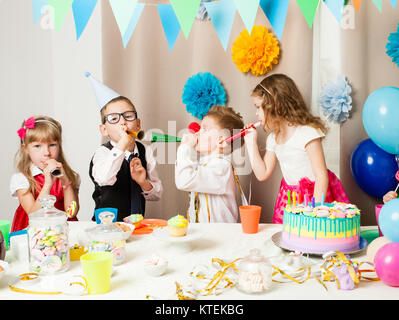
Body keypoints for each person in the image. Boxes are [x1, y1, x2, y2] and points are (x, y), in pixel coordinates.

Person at [244, 74, 349, 224]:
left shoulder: (307, 132)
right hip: (290, 199)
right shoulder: (273, 138)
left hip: (315, 197)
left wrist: (315, 212)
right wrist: (250, 142)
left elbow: (321, 176)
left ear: (276, 104)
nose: (256, 113)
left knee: (314, 238)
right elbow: (262, 173)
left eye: (259, 107)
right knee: (291, 238)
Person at [87, 73, 162, 221]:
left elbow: (157, 195)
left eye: (128, 116)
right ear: (104, 129)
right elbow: (103, 179)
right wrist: (122, 145)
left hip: (137, 226)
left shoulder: (144, 151)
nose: (123, 123)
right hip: (106, 227)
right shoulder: (102, 153)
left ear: (138, 124)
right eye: (114, 119)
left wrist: (143, 182)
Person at [175, 105, 245, 223]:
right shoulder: (205, 164)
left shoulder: (221, 167)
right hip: (204, 234)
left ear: (221, 140)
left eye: (205, 129)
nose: (197, 133)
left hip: (220, 236)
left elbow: (184, 180)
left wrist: (185, 147)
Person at [10, 116, 80, 232]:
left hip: (62, 233)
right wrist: (48, 183)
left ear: (59, 145)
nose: (47, 153)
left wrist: (65, 181)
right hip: (35, 234)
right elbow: (34, 214)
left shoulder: (71, 176)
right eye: (37, 146)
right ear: (25, 148)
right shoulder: (22, 179)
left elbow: (71, 213)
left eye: (52, 145)